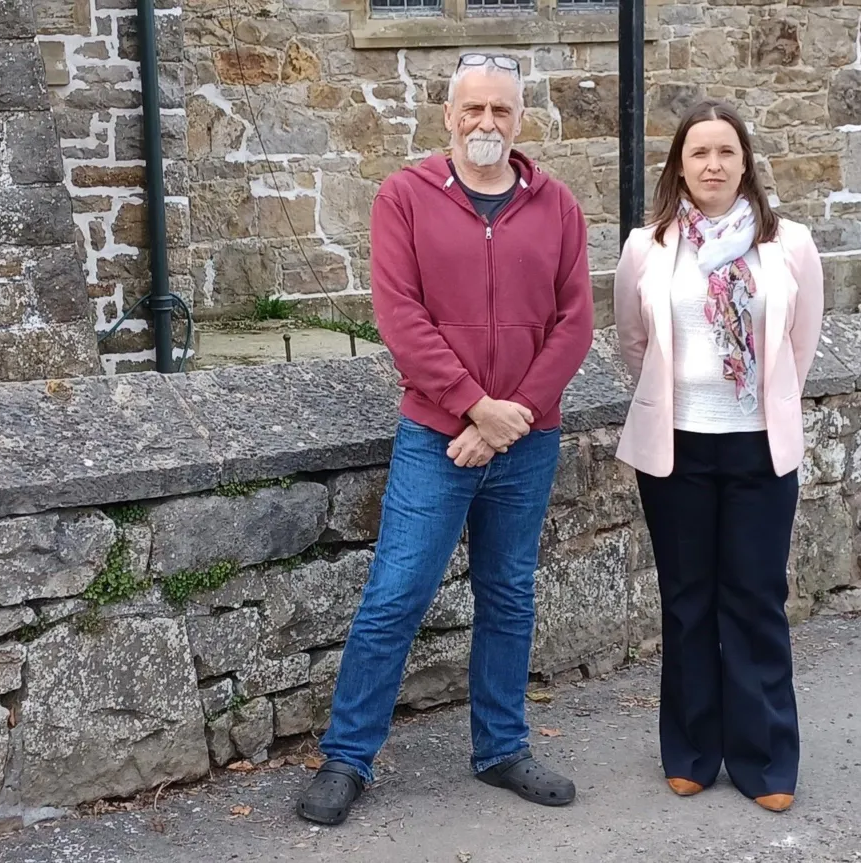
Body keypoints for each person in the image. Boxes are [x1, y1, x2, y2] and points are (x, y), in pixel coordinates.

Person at [297, 52, 594, 825]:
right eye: (473, 110)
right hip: (438, 436)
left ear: (521, 118)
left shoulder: (557, 205)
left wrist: (507, 419)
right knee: (396, 595)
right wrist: (470, 409)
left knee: (508, 594)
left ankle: (501, 747)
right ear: (449, 117)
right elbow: (400, 319)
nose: (486, 123)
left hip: (526, 440)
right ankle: (347, 756)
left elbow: (575, 325)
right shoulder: (404, 197)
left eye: (501, 110)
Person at [612, 99, 825, 813]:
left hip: (760, 450)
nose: (712, 164)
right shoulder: (648, 247)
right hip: (676, 449)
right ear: (679, 164)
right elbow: (634, 345)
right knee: (687, 601)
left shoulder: (787, 244)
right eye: (698, 152)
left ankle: (765, 760)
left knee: (756, 599)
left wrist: (762, 408)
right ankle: (693, 750)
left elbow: (799, 344)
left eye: (725, 152)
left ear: (745, 162)